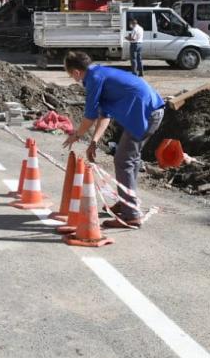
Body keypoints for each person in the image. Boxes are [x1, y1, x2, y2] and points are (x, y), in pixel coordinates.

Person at [61, 51, 164, 228]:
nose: (73, 79)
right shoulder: (100, 73)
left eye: (71, 75)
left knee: (123, 160)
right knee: (131, 158)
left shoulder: (94, 79)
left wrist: (77, 135)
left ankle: (131, 214)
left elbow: (90, 116)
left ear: (76, 72)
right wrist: (94, 141)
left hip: (146, 114)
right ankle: (127, 202)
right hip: (149, 111)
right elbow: (104, 115)